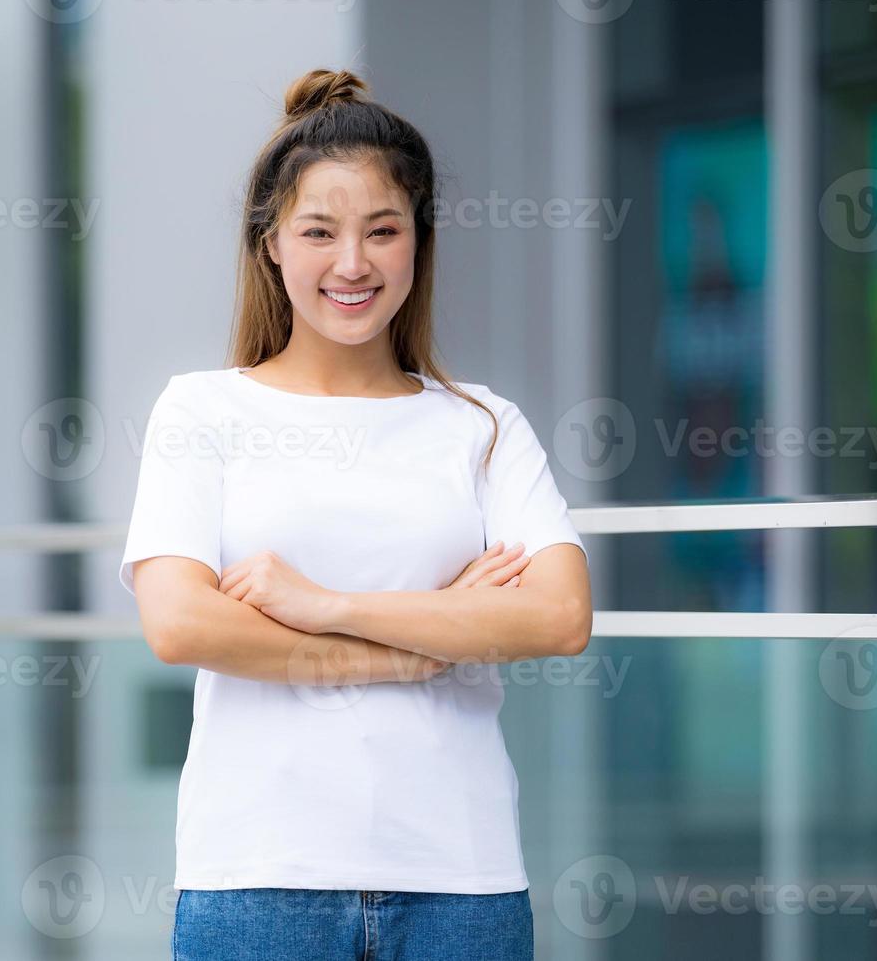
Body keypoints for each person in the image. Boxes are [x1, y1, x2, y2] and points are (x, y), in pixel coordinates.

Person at [119, 67, 592, 961]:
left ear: (419, 240)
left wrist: (323, 604)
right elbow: (180, 624)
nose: (353, 264)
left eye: (383, 231)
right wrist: (432, 640)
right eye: (320, 232)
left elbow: (561, 617)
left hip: (462, 880)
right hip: (257, 879)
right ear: (271, 245)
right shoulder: (202, 411)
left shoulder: (482, 425)